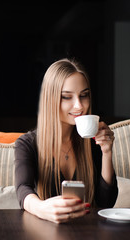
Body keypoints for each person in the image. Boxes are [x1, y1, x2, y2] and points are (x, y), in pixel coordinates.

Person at [14, 58, 118, 224]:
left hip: (87, 232)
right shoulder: (27, 144)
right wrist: (42, 208)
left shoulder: (93, 140)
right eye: (66, 97)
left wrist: (107, 153)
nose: (79, 106)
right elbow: (22, 189)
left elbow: (106, 204)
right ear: (51, 99)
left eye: (84, 95)